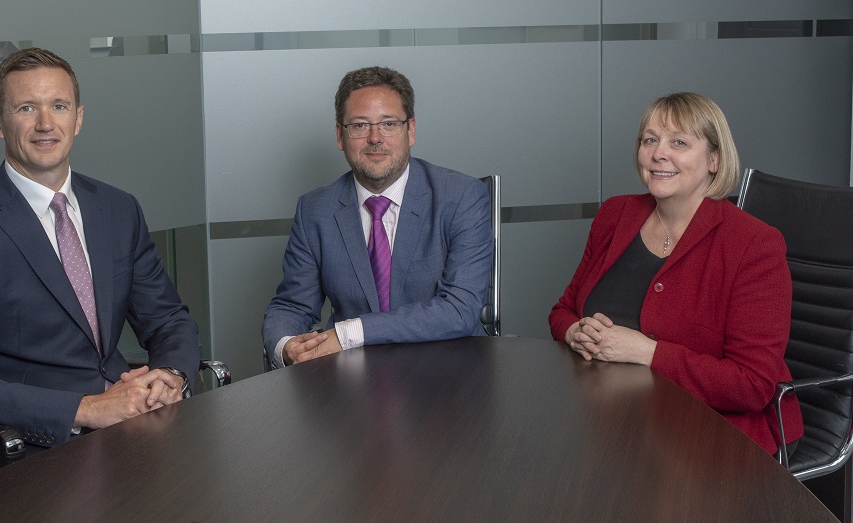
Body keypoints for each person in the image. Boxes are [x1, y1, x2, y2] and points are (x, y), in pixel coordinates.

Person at [0, 48, 201, 456]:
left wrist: (169, 375)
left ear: (79, 118)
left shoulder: (118, 209)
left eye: (59, 106)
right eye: (26, 108)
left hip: (134, 425)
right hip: (38, 447)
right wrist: (86, 408)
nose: (45, 124)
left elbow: (167, 318)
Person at [548, 92, 802, 455]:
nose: (658, 153)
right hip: (614, 418)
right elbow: (562, 311)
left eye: (678, 142)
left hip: (715, 435)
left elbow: (752, 385)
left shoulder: (754, 244)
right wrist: (575, 331)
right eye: (650, 140)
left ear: (714, 159)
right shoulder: (615, 214)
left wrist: (647, 351)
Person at [262, 66, 494, 368]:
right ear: (339, 136)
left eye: (388, 124)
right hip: (354, 381)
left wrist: (348, 332)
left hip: (451, 375)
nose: (375, 138)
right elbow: (291, 305)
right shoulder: (315, 210)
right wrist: (287, 347)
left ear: (410, 131)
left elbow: (459, 310)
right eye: (359, 125)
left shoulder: (462, 197)